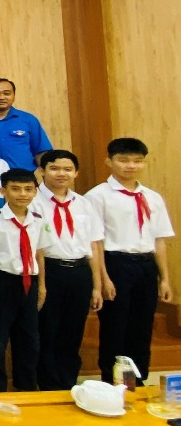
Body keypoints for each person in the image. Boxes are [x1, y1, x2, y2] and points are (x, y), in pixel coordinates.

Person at [86, 137, 173, 383]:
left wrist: (164, 279)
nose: (130, 166)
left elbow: (159, 240)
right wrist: (103, 278)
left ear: (144, 163)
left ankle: (138, 381)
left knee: (142, 327)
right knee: (115, 327)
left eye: (137, 161)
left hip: (146, 265)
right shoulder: (97, 196)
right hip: (115, 263)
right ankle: (112, 381)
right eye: (123, 160)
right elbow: (96, 242)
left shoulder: (152, 197)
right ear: (109, 161)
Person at [35, 150, 103, 390]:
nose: (61, 173)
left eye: (67, 169)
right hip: (49, 270)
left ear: (76, 173)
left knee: (73, 331)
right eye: (54, 168)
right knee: (47, 330)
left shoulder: (83, 203)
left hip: (80, 271)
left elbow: (93, 245)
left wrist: (96, 286)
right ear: (42, 171)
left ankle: (68, 384)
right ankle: (48, 386)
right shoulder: (32, 201)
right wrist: (41, 284)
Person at [0, 168, 50, 392]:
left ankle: (26, 387)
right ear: (3, 191)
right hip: (0, 281)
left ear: (35, 192)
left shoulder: (38, 220)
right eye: (15, 189)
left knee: (29, 339)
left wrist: (42, 286)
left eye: (28, 189)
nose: (22, 194)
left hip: (29, 280)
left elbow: (39, 253)